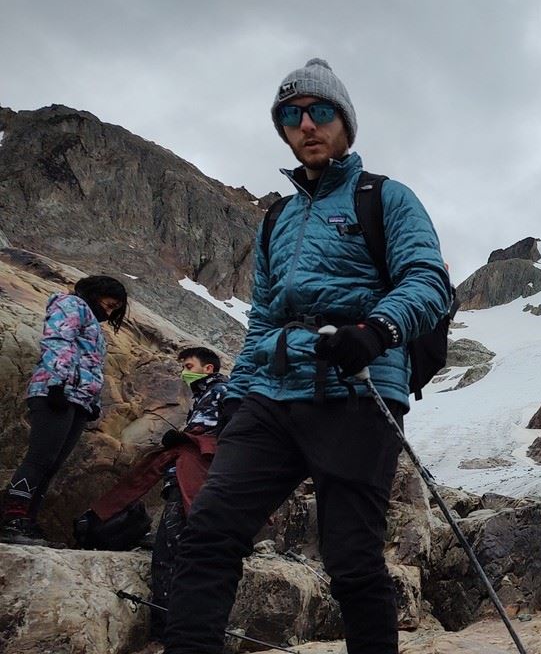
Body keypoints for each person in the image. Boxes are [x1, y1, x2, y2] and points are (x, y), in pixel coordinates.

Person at [164, 58, 452, 654]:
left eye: (320, 112)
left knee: (350, 561)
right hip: (272, 395)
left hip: (358, 392)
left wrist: (374, 331)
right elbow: (264, 318)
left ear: (345, 123)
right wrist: (236, 396)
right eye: (291, 117)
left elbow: (428, 282)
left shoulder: (386, 198)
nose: (306, 125)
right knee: (209, 531)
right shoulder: (278, 218)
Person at [78, 346, 229, 642]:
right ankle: (182, 627)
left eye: (188, 365)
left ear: (207, 369)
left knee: (169, 551)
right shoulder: (202, 396)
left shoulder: (223, 391)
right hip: (188, 474)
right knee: (179, 547)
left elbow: (230, 430)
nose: (184, 370)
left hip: (200, 476)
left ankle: (169, 629)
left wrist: (197, 441)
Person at [1, 274, 128, 546]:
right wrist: (57, 383)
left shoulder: (91, 320)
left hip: (77, 399)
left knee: (52, 464)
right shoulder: (70, 305)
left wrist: (91, 403)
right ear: (93, 294)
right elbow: (59, 341)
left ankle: (28, 521)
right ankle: (12, 520)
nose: (108, 312)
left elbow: (89, 363)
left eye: (113, 309)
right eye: (108, 304)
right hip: (55, 392)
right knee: (39, 459)